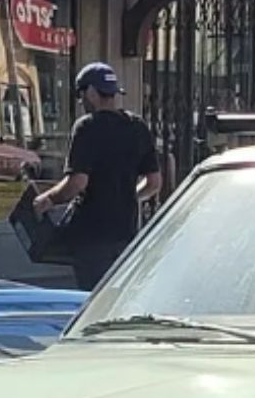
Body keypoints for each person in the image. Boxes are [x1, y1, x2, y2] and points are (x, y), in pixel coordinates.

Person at [33, 63, 163, 291]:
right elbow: (154, 183)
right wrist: (127, 196)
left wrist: (47, 200)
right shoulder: (137, 127)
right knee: (118, 298)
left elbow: (77, 183)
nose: (82, 101)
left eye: (81, 94)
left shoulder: (87, 127)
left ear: (91, 92)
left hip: (92, 235)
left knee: (92, 299)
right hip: (126, 232)